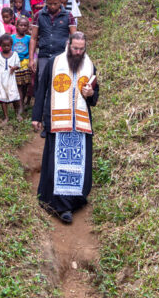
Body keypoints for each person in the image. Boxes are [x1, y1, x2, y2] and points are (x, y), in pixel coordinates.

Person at [32, 32, 99, 223]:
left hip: (80, 124)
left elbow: (94, 98)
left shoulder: (89, 65)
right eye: (75, 48)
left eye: (81, 49)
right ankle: (59, 205)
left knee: (78, 164)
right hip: (58, 122)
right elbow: (42, 89)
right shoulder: (54, 63)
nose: (77, 52)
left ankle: (74, 201)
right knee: (57, 163)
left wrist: (91, 92)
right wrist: (37, 116)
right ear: (68, 45)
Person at [29, 0, 78, 137]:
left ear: (60, 2)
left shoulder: (68, 16)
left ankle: (59, 122)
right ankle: (45, 123)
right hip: (44, 56)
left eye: (55, 3)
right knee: (43, 89)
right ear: (46, 2)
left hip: (61, 58)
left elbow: (74, 36)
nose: (52, 6)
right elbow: (33, 38)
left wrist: (73, 56)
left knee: (59, 88)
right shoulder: (39, 15)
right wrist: (32, 58)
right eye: (49, 3)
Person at [0, 33, 21, 124]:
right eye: (4, 45)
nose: (6, 47)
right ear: (0, 45)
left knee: (14, 97)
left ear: (11, 45)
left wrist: (14, 68)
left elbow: (18, 65)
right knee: (2, 99)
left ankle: (17, 114)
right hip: (0, 79)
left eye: (8, 45)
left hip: (10, 78)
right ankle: (6, 117)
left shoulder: (15, 54)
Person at [12, 17, 32, 111]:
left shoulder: (28, 38)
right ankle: (19, 106)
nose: (23, 27)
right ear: (16, 26)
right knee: (18, 85)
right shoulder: (12, 37)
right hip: (15, 63)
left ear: (28, 27)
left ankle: (22, 103)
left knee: (25, 85)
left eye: (25, 26)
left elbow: (34, 45)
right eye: (21, 25)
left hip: (25, 63)